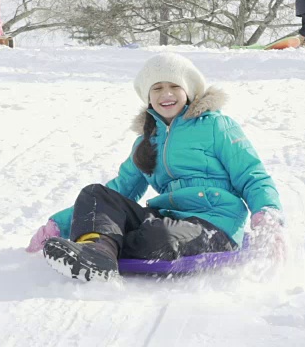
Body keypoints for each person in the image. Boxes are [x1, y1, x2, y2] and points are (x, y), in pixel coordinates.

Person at [26, 53, 286, 282]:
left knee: (157, 236)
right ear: (148, 96)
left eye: (174, 86)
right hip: (167, 218)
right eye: (157, 88)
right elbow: (119, 191)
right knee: (95, 195)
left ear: (189, 91)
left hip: (213, 221)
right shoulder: (146, 141)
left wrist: (267, 215)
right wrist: (59, 225)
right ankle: (98, 254)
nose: (166, 94)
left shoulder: (217, 126)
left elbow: (251, 174)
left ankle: (111, 242)